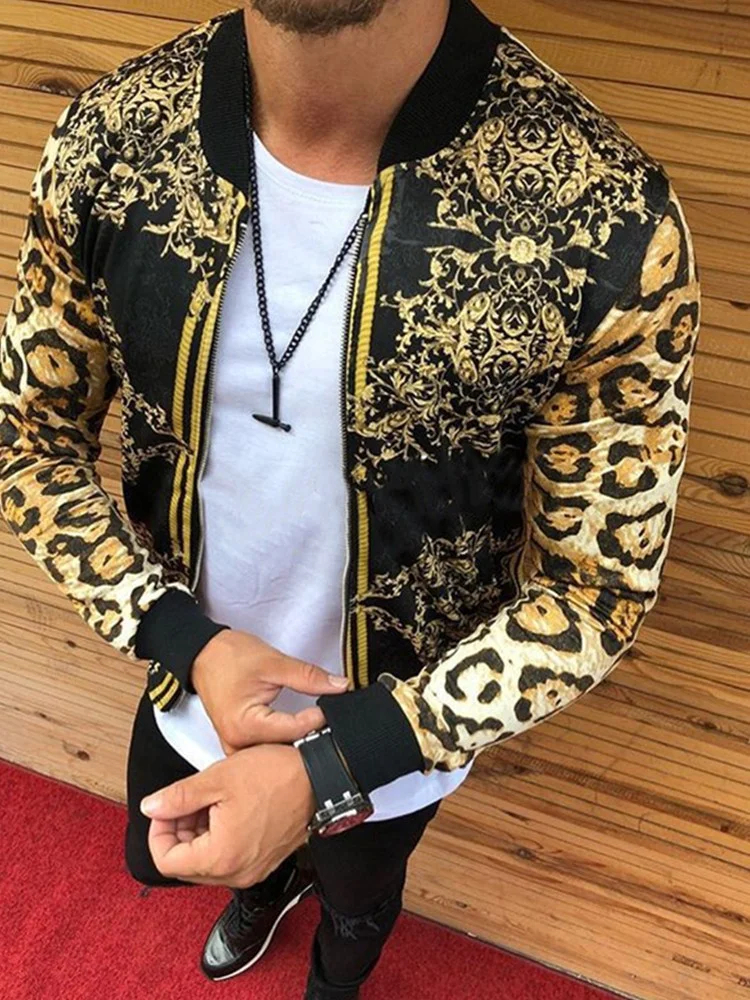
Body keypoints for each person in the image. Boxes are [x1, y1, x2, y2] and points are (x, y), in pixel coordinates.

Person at [0, 0, 701, 997]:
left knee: (360, 899)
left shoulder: (608, 218)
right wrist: (180, 639)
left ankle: (338, 970)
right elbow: (28, 441)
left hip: (403, 732)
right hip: (185, 681)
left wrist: (333, 769)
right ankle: (262, 890)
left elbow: (594, 592)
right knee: (174, 857)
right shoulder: (112, 139)